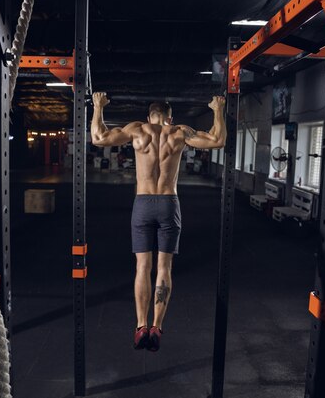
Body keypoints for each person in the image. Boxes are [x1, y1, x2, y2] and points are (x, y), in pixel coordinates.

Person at [91, 92, 226, 352]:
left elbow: (99, 137)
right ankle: (157, 326)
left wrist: (98, 107)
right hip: (168, 203)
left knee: (143, 267)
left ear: (149, 116)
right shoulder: (179, 132)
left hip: (142, 204)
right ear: (170, 117)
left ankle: (141, 326)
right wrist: (218, 109)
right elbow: (217, 140)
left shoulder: (138, 130)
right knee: (164, 268)